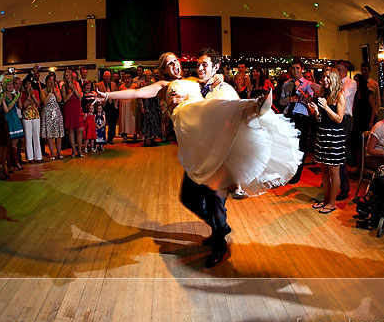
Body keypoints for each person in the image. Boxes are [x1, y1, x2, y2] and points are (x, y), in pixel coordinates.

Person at [94, 49, 302, 267]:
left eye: (176, 61)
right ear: (163, 69)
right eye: (169, 63)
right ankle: (219, 227)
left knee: (214, 196)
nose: (174, 65)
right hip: (194, 144)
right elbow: (134, 94)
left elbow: (215, 81)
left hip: (210, 137)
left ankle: (252, 107)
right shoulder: (162, 87)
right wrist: (108, 95)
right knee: (189, 198)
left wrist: (218, 76)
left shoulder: (193, 81)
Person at [308, 67, 347, 214]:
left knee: (333, 172)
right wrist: (317, 112)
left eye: (328, 77)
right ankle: (325, 200)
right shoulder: (323, 95)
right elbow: (320, 120)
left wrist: (325, 107)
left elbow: (339, 119)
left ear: (335, 79)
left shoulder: (339, 96)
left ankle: (331, 203)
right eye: (324, 77)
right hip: (323, 135)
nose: (325, 80)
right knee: (324, 171)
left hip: (335, 137)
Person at [279, 59, 318, 184]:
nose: (295, 71)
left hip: (302, 117)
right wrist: (289, 99)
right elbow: (281, 101)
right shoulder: (286, 84)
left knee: (300, 146)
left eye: (297, 68)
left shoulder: (308, 84)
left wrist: (300, 93)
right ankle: (287, 171)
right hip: (289, 115)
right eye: (293, 68)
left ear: (302, 69)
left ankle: (297, 174)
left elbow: (309, 101)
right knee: (287, 145)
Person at [335, 60, 357, 200]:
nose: (337, 72)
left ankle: (345, 187)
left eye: (339, 69)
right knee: (333, 151)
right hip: (335, 117)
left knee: (340, 152)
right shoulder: (336, 83)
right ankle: (334, 181)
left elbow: (340, 97)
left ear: (345, 69)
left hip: (345, 119)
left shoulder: (351, 83)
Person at [40, 72, 64, 160]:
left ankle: (59, 151)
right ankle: (52, 152)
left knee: (58, 133)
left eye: (53, 80)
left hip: (56, 113)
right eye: (49, 80)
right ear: (46, 81)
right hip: (47, 113)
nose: (51, 81)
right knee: (49, 134)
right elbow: (44, 102)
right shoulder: (43, 91)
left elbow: (60, 99)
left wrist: (55, 91)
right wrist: (49, 93)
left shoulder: (56, 89)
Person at [61, 67, 84, 157]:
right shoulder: (63, 86)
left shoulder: (76, 84)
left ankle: (79, 150)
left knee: (79, 129)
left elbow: (79, 96)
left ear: (72, 76)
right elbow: (65, 99)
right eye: (66, 75)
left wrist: (74, 88)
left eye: (69, 75)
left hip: (76, 108)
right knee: (70, 130)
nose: (68, 77)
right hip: (69, 109)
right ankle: (73, 150)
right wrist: (71, 92)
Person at [2, 77, 24, 170]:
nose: (10, 86)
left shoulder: (14, 94)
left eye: (11, 84)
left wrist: (18, 99)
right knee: (9, 143)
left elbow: (20, 107)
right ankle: (12, 164)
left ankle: (16, 162)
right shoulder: (3, 96)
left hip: (15, 118)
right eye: (9, 84)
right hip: (8, 119)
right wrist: (14, 100)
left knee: (16, 142)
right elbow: (6, 109)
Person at [20, 76, 43, 163]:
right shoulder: (22, 94)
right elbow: (24, 105)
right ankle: (30, 157)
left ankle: (38, 157)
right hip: (26, 116)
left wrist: (33, 95)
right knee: (28, 137)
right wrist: (28, 96)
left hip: (35, 115)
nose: (27, 86)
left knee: (36, 136)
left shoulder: (36, 92)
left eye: (29, 84)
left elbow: (38, 103)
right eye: (26, 84)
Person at [96, 70, 118, 144]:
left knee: (112, 124)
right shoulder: (98, 85)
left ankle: (111, 138)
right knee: (103, 123)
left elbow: (116, 95)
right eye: (106, 76)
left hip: (112, 106)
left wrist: (116, 104)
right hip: (103, 106)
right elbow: (97, 96)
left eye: (108, 76)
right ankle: (103, 138)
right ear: (103, 77)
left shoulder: (114, 84)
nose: (107, 78)